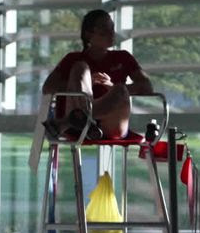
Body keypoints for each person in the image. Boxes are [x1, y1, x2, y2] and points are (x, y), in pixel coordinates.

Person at [42, 9, 153, 141]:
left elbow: (146, 86)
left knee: (120, 90)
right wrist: (88, 82)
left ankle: (74, 120)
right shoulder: (73, 59)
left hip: (111, 124)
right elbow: (48, 88)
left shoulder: (123, 57)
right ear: (88, 34)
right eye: (104, 28)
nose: (111, 32)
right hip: (79, 129)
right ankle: (84, 121)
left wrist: (111, 86)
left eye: (112, 28)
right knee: (80, 67)